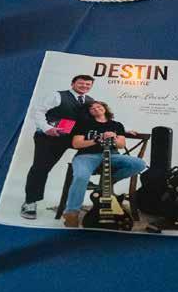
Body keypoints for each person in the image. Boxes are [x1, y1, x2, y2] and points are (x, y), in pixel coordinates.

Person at [21, 75, 95, 220]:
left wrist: (120, 131)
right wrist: (47, 128)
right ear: (73, 83)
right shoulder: (57, 96)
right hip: (50, 137)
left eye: (88, 84)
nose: (84, 86)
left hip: (73, 138)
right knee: (41, 168)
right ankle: (30, 202)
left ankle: (86, 178)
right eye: (81, 83)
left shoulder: (91, 101)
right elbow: (38, 111)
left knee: (99, 147)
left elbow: (99, 119)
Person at [63, 101, 147, 228]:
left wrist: (114, 138)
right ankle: (71, 213)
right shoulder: (84, 124)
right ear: (89, 112)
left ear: (105, 108)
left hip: (112, 155)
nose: (96, 109)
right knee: (81, 176)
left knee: (139, 164)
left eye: (99, 106)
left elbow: (121, 145)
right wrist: (98, 139)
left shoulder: (116, 125)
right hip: (86, 156)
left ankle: (106, 182)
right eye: (92, 108)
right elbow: (76, 144)